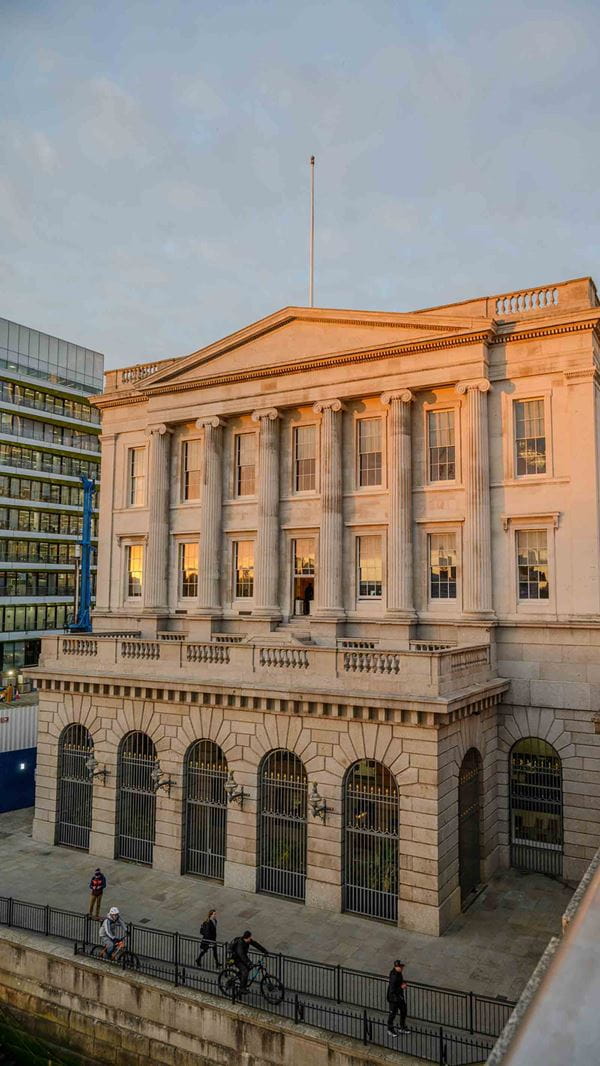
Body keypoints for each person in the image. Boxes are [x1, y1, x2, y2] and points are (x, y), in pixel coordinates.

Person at [387, 959, 410, 1036]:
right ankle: (390, 1029)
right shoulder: (394, 976)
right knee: (392, 1014)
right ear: (396, 967)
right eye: (400, 967)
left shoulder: (398, 973)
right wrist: (402, 987)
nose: (402, 968)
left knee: (404, 1010)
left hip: (399, 997)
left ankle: (402, 1027)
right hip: (394, 998)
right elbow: (392, 990)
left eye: (402, 967)